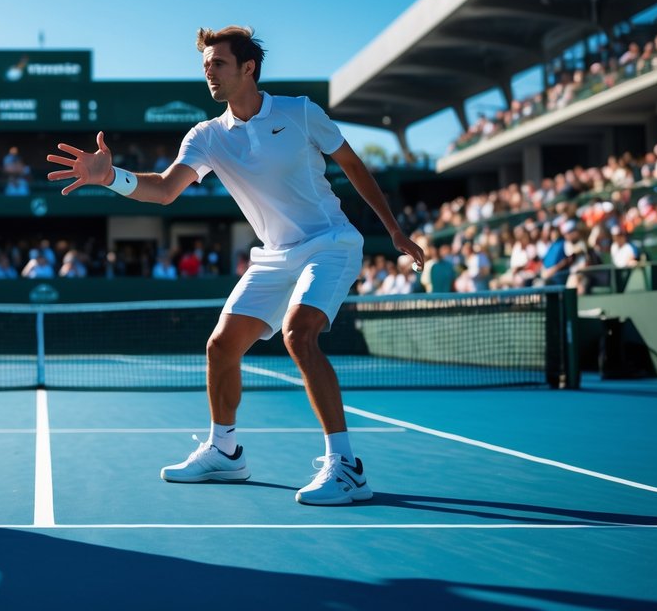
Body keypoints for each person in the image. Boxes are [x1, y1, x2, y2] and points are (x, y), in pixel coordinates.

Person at [47, 25, 423, 506]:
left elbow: (352, 164)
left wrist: (391, 229)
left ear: (248, 68)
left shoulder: (300, 112)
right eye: (205, 65)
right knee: (221, 346)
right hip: (274, 254)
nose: (209, 72)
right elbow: (164, 189)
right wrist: (110, 177)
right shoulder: (206, 136)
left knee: (298, 333)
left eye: (218, 63)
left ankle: (347, 467)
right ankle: (225, 453)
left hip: (329, 242)